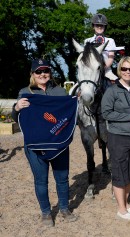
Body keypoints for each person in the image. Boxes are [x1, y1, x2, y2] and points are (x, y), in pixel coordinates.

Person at [11, 59, 78, 227]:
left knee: (62, 179)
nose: (42, 74)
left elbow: (69, 114)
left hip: (58, 143)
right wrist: (17, 107)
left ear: (50, 72)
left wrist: (75, 101)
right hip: (35, 146)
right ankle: (46, 213)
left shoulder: (61, 92)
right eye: (38, 71)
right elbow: (17, 118)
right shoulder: (25, 92)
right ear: (32, 74)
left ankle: (64, 208)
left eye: (45, 71)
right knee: (41, 181)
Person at [101, 56, 130, 220]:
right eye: (124, 69)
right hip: (118, 137)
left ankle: (125, 203)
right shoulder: (111, 90)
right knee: (119, 172)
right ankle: (121, 209)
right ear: (120, 70)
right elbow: (106, 113)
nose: (127, 72)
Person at [84, 13, 123, 87]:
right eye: (97, 25)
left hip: (106, 71)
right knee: (78, 88)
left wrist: (101, 68)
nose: (99, 27)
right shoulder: (87, 41)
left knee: (120, 86)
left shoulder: (110, 40)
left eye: (101, 25)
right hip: (90, 73)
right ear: (93, 26)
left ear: (105, 27)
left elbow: (110, 58)